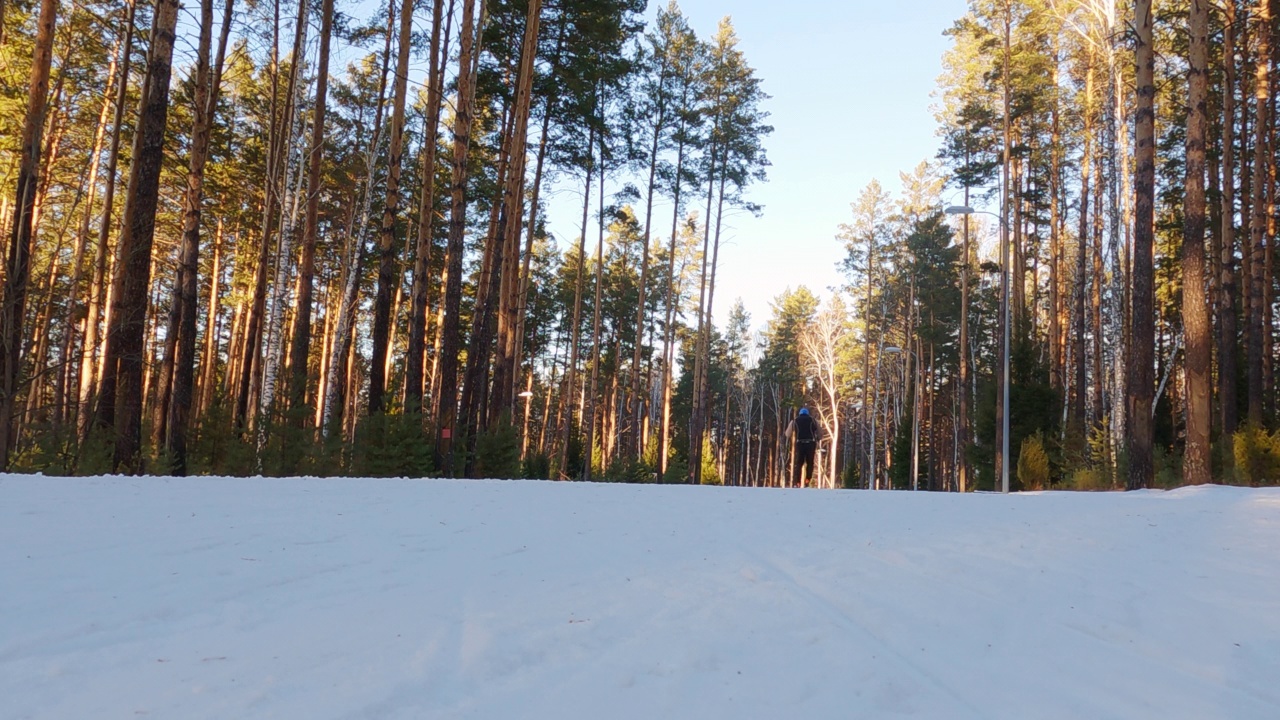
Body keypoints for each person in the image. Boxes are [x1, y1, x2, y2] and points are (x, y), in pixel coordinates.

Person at [784, 406, 821, 488]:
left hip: (800, 443)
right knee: (810, 462)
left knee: (799, 463)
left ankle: (798, 482)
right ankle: (808, 479)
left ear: (800, 414)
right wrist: (818, 438)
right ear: (808, 414)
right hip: (811, 443)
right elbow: (820, 433)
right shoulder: (813, 420)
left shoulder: (795, 421)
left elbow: (787, 434)